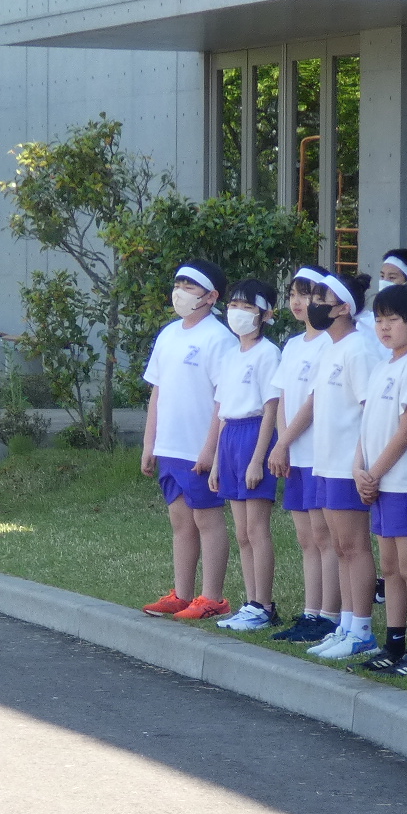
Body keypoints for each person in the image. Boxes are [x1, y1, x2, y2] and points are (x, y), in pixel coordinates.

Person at [291, 270, 383, 660]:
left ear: (344, 308)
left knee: (354, 546)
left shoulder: (359, 349)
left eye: (321, 300)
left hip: (348, 466)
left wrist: (361, 462)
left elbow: (370, 411)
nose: (313, 305)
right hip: (325, 463)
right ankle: (345, 624)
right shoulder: (331, 347)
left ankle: (361, 628)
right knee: (341, 547)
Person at [351, 284, 407, 673]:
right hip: (379, 481)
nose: (384, 327)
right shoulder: (382, 366)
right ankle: (394, 643)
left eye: (393, 320)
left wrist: (373, 473)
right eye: (379, 319)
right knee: (388, 566)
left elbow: (406, 431)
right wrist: (359, 469)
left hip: (404, 481)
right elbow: (367, 426)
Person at [139, 261, 230, 618]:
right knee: (181, 522)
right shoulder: (168, 334)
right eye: (178, 284)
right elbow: (157, 392)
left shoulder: (219, 338)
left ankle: (213, 598)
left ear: (211, 296)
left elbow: (224, 401)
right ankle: (182, 593)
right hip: (170, 446)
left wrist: (210, 449)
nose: (180, 292)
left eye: (190, 286)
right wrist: (150, 443)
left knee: (207, 520)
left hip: (198, 448)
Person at [206, 279, 282, 631]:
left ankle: (263, 604)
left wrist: (257, 459)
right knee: (241, 532)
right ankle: (250, 602)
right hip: (230, 437)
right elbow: (223, 410)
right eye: (234, 305)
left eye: (248, 307)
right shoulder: (230, 355)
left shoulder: (268, 353)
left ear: (265, 314)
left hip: (254, 434)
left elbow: (270, 408)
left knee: (256, 528)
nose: (238, 313)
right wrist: (217, 463)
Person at [272, 270, 339, 644]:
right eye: (294, 294)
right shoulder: (293, 344)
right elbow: (284, 396)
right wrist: (283, 443)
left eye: (308, 295)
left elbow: (314, 402)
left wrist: (284, 442)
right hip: (294, 453)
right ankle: (310, 611)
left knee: (323, 535)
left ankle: (330, 614)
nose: (299, 302)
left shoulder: (329, 343)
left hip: (317, 452)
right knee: (305, 537)